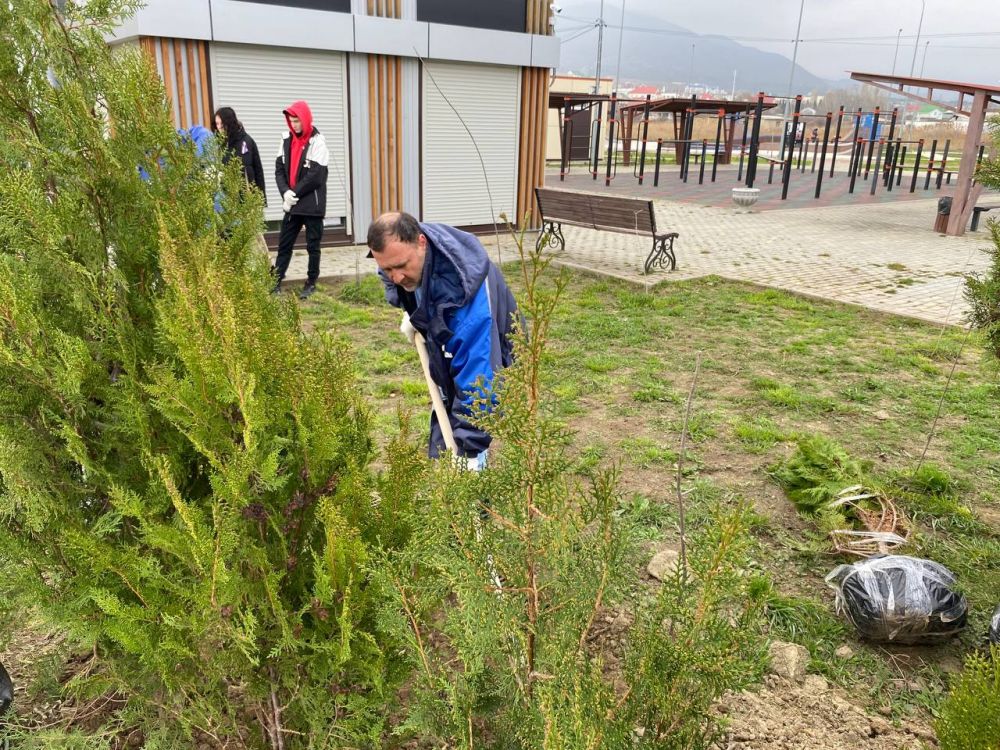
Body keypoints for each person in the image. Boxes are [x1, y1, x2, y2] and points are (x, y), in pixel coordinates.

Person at [366, 212, 518, 465]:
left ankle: (474, 471)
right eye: (387, 269)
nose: (397, 277)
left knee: (470, 419)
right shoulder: (402, 253)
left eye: (402, 266)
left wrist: (469, 449)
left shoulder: (466, 293)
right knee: (448, 412)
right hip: (448, 340)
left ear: (421, 242)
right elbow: (393, 281)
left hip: (486, 346)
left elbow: (480, 379)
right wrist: (413, 312)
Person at [273, 100, 328, 300]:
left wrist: (293, 193)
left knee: (313, 246)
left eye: (297, 121)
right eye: (291, 120)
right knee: (284, 243)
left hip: (310, 203)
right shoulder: (286, 139)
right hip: (292, 203)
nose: (294, 125)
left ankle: (311, 282)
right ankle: (276, 280)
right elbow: (279, 170)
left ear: (305, 119)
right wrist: (285, 192)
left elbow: (316, 176)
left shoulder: (317, 141)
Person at [213, 107, 267, 253]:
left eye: (221, 125)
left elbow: (257, 171)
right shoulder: (220, 144)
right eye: (216, 124)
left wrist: (260, 199)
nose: (218, 128)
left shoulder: (246, 142)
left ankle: (267, 268)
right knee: (227, 237)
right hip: (225, 200)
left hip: (244, 199)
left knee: (252, 238)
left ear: (229, 123)